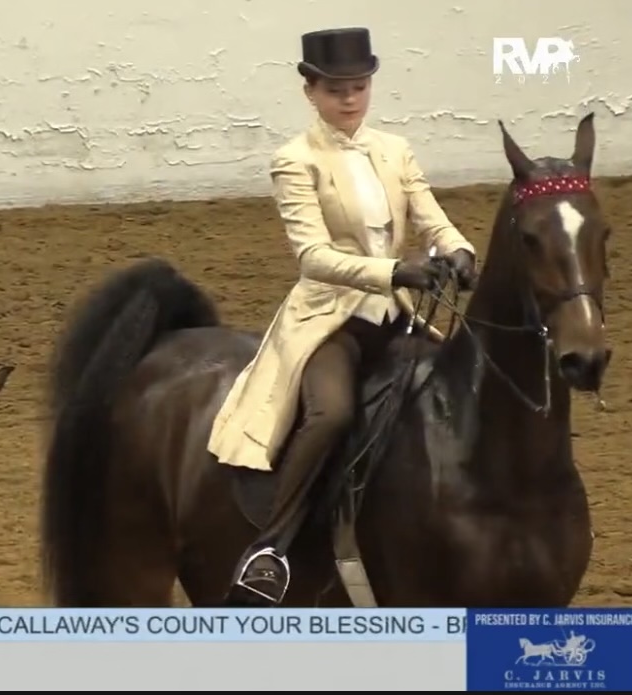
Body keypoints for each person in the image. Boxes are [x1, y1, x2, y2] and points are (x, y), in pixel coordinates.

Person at [205, 28, 478, 605]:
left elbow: (431, 217)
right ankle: (271, 550)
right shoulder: (294, 161)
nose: (350, 99)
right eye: (336, 90)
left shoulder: (395, 150)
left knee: (459, 390)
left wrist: (459, 250)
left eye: (359, 87)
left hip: (396, 316)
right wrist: (393, 272)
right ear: (310, 91)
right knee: (332, 414)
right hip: (331, 320)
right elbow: (313, 256)